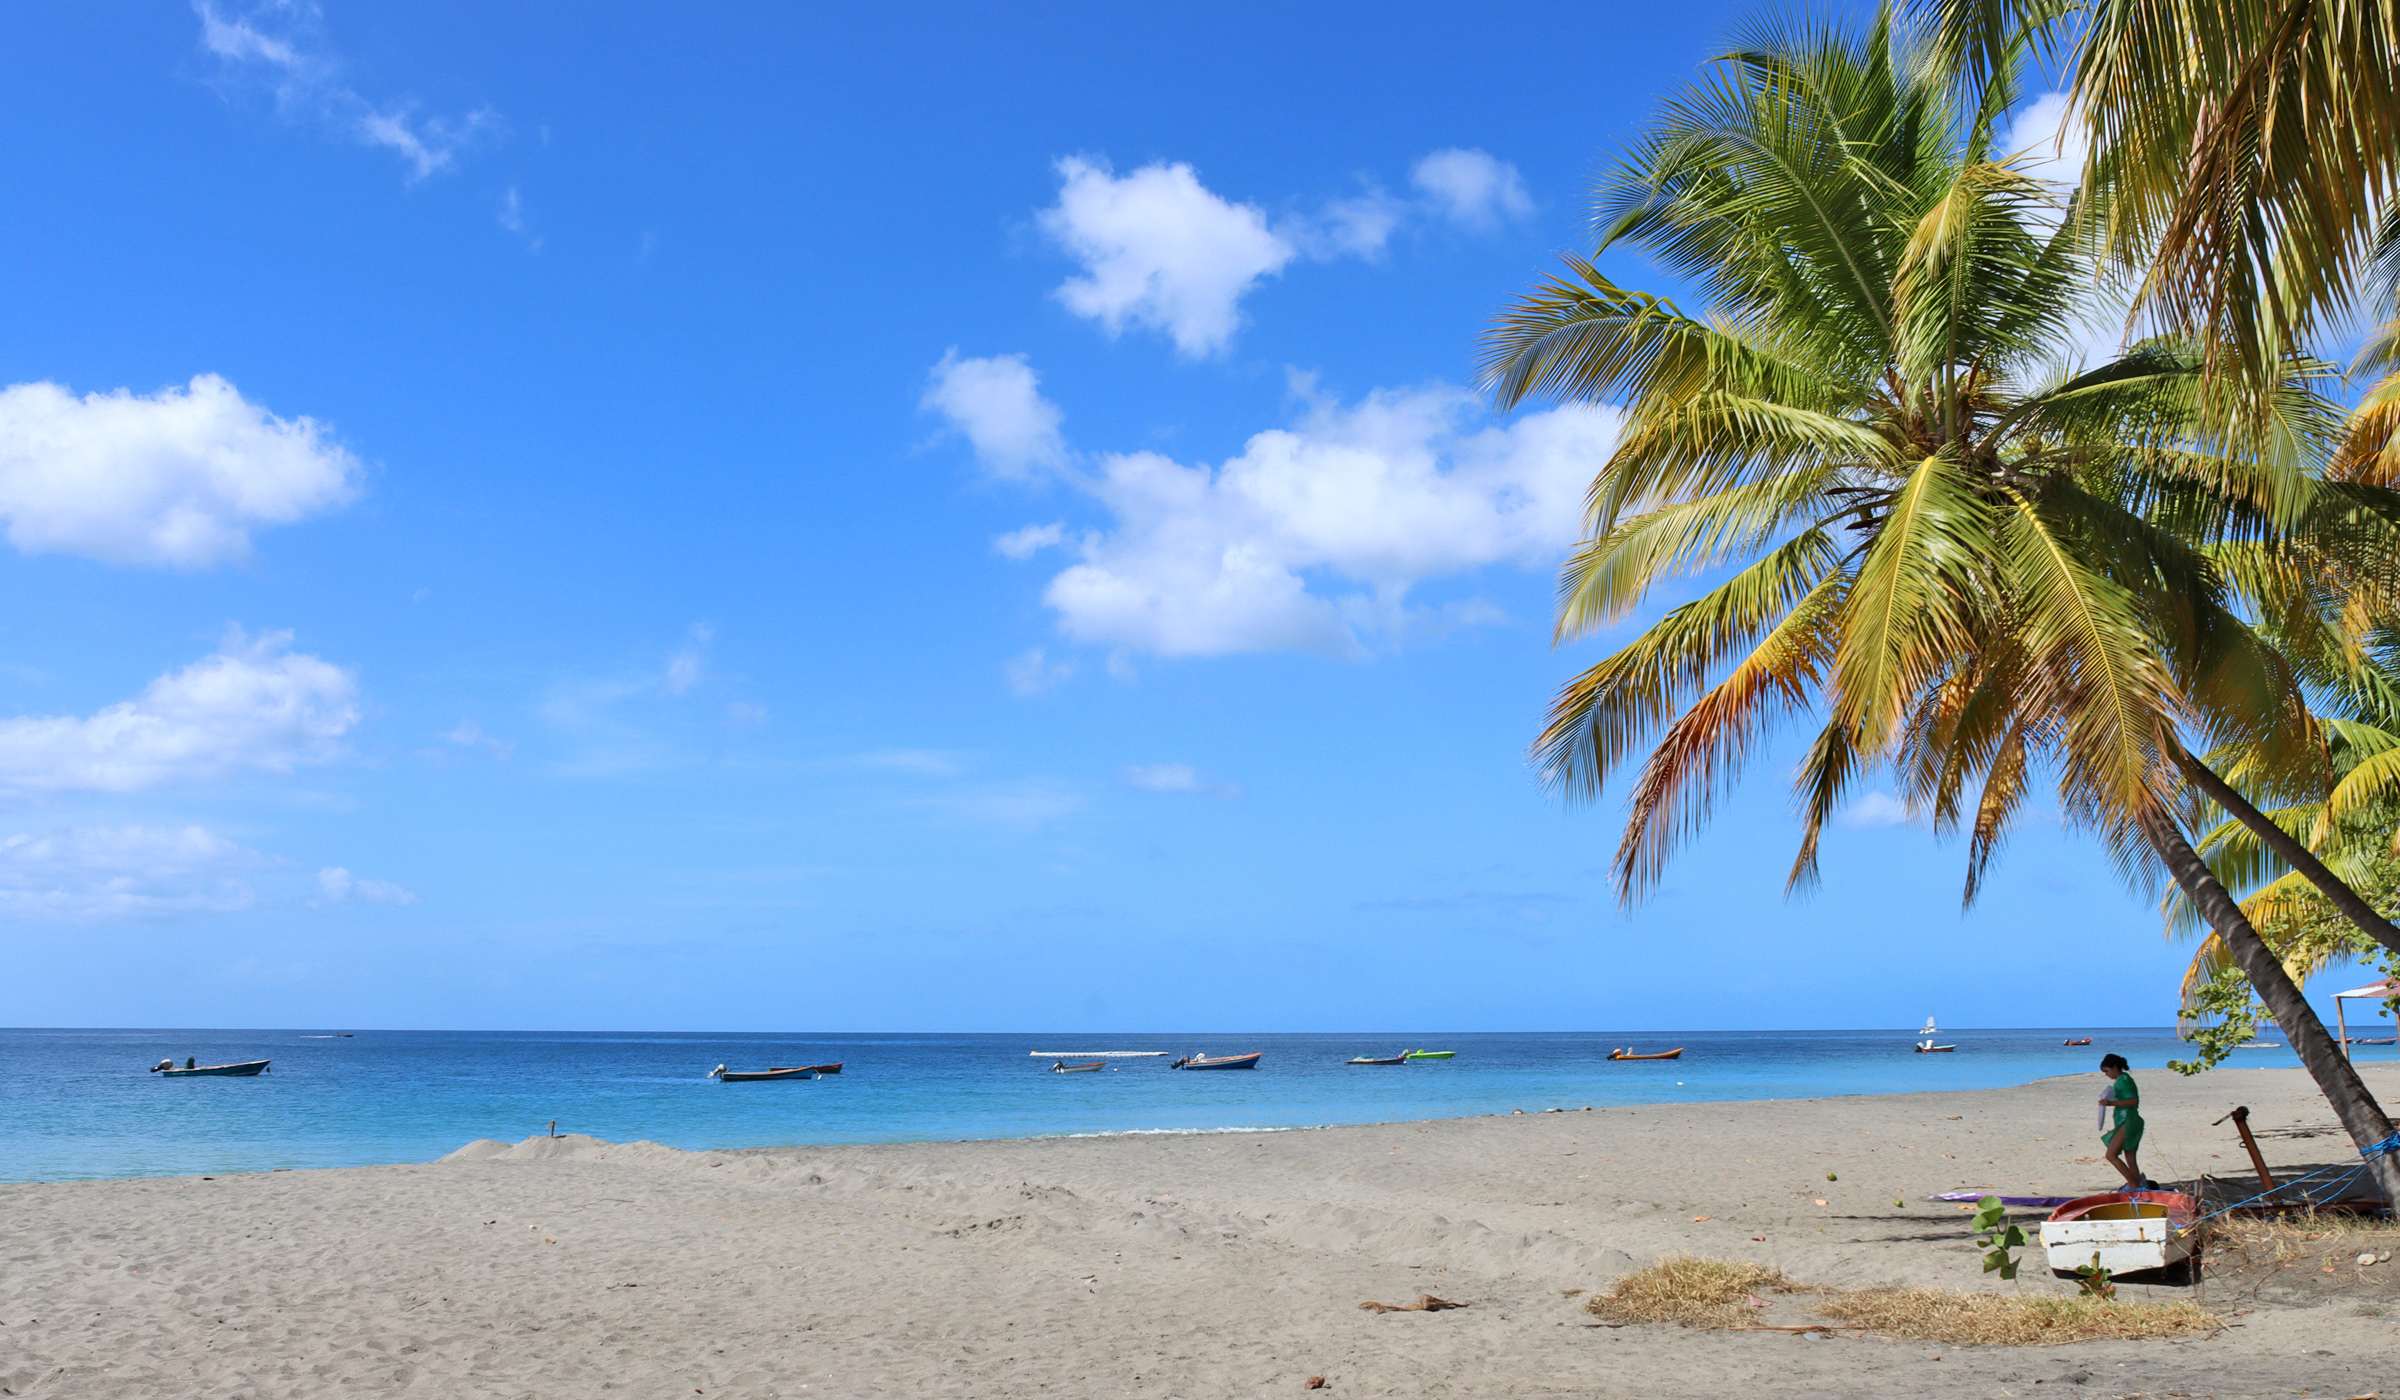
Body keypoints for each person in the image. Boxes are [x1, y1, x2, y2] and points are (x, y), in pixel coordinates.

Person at [2097, 1053, 2148, 1189]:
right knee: (2130, 1158)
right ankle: (2138, 1185)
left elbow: (2133, 1101)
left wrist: (2110, 1103)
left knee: (2111, 1155)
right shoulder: (2123, 1079)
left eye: (2107, 1071)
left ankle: (2133, 1184)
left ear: (2115, 1067)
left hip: (2129, 1121)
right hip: (2130, 1121)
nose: (2106, 1074)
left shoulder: (2123, 1080)